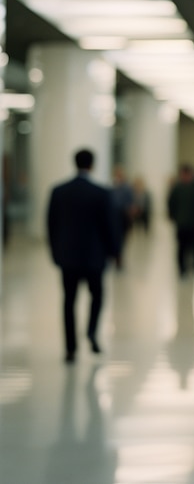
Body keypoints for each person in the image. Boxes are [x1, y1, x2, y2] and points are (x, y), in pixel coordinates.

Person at [46, 148, 119, 363]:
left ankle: (70, 348)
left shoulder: (59, 191)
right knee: (97, 296)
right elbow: (109, 226)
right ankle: (91, 332)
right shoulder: (101, 193)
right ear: (92, 165)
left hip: (68, 258)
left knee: (69, 301)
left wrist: (55, 252)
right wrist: (115, 252)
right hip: (94, 258)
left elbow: (51, 225)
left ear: (75, 163)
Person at [167, 163, 194, 277]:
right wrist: (173, 216)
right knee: (181, 247)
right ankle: (182, 269)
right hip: (181, 223)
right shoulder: (177, 188)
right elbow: (171, 203)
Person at [111, 165, 134, 268]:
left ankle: (119, 258)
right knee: (116, 238)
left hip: (123, 216)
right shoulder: (113, 187)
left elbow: (130, 203)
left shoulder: (127, 188)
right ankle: (116, 257)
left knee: (122, 239)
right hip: (114, 217)